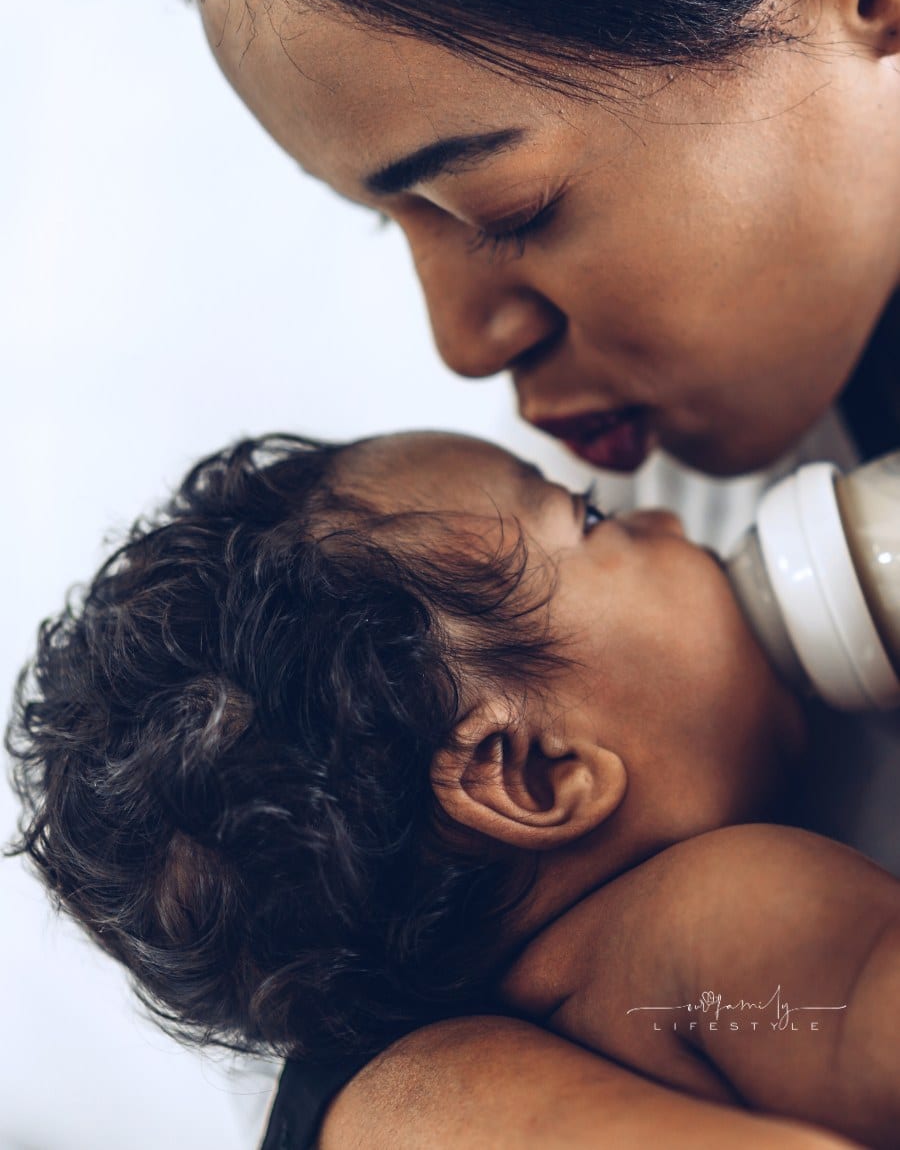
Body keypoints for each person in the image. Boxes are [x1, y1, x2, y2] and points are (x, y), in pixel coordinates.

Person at [134, 0, 900, 1143]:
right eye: (392, 223)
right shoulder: (632, 553)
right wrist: (384, 1098)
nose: (460, 342)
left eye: (504, 206)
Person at [7, 427, 882, 1147]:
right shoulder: (708, 924)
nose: (661, 516)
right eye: (593, 517)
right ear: (534, 773)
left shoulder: (554, 1020)